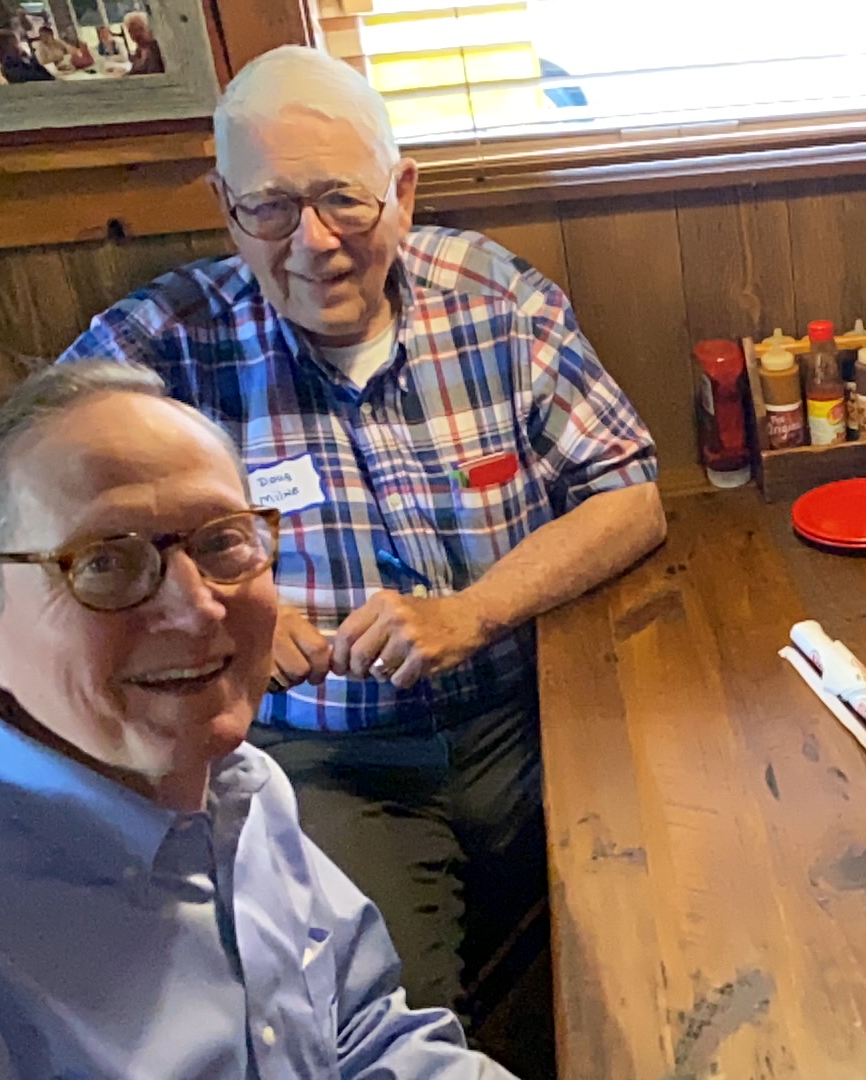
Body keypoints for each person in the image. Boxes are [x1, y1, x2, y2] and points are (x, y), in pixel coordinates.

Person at [63, 44, 664, 1016]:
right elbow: (37, 536)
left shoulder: (496, 299)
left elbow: (630, 491)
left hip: (543, 722)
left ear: (403, 191)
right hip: (329, 766)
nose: (312, 241)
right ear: (225, 206)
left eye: (344, 199)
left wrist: (474, 612)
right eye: (269, 207)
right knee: (386, 1024)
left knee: (668, 950)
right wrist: (228, 620)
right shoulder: (158, 345)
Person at [0, 361, 515, 1078]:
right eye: (106, 562)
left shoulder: (243, 789)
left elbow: (362, 1033)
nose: (198, 606)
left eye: (220, 541)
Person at [124, 11, 163, 75]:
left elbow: (153, 73)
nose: (136, 34)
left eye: (140, 29)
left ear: (149, 29)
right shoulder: (139, 50)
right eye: (132, 31)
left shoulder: (156, 49)